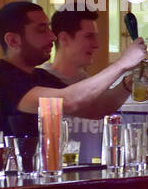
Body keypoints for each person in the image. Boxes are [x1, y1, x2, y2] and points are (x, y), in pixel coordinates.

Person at [0, 1, 147, 139]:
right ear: (13, 40)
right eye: (41, 30)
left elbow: (97, 107)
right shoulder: (1, 81)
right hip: (9, 178)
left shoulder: (40, 76)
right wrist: (122, 63)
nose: (52, 37)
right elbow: (68, 101)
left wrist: (127, 85)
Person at [42, 9, 117, 163]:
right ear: (64, 39)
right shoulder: (38, 84)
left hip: (94, 182)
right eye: (89, 36)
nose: (96, 44)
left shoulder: (95, 88)